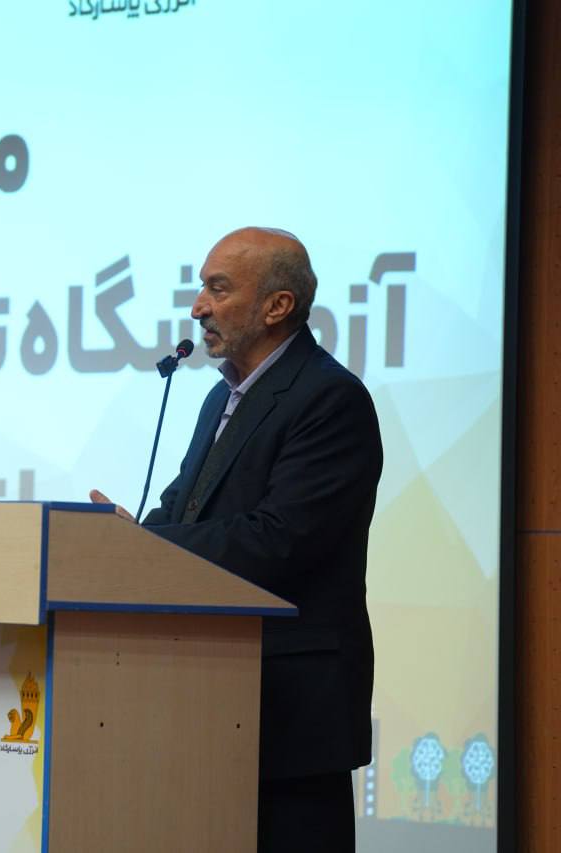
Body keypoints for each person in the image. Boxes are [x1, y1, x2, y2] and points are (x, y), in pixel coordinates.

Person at [91, 227, 382, 852]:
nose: (198, 306)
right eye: (202, 288)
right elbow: (181, 510)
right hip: (208, 707)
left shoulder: (330, 399)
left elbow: (280, 540)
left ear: (278, 306)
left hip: (290, 718)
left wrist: (147, 549)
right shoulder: (220, 399)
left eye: (218, 289)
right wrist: (125, 542)